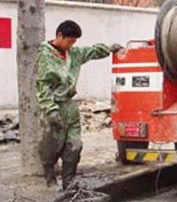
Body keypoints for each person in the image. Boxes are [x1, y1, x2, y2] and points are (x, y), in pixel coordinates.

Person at [37, 20, 122, 189]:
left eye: (74, 42)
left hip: (69, 106)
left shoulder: (73, 54)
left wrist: (109, 48)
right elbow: (42, 85)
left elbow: (90, 52)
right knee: (51, 146)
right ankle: (50, 180)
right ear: (59, 35)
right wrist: (50, 109)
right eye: (70, 40)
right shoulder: (45, 55)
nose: (72, 44)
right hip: (53, 105)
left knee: (74, 146)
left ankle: (69, 181)